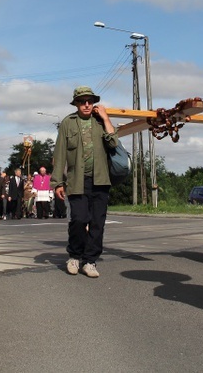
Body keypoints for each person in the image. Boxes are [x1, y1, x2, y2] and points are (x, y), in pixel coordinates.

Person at [51, 86, 118, 278]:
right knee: (79, 219)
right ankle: (74, 256)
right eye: (82, 101)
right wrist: (57, 183)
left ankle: (90, 261)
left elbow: (113, 143)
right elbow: (60, 154)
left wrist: (105, 118)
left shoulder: (99, 122)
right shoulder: (68, 123)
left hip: (100, 181)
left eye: (90, 101)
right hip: (76, 181)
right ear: (76, 104)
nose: (86, 105)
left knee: (98, 223)